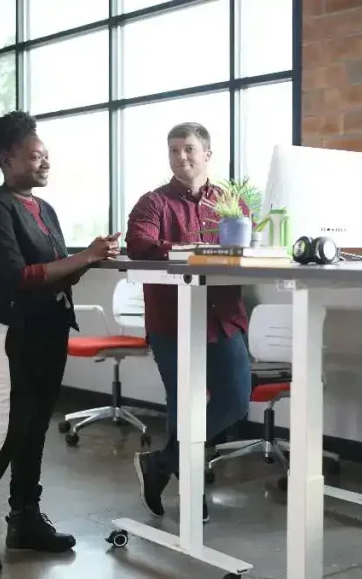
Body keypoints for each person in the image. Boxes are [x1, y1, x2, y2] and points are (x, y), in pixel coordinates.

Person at [0, 110, 120, 576]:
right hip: (9, 331)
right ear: (6, 158)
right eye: (34, 155)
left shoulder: (44, 209)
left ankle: (24, 518)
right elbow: (18, 277)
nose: (45, 162)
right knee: (7, 428)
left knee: (35, 425)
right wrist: (84, 256)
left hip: (48, 328)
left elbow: (57, 267)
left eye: (46, 155)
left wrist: (92, 257)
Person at [126, 122, 253, 522]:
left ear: (207, 155)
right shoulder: (153, 203)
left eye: (189, 149)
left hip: (224, 318)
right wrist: (193, 250)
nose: (181, 156)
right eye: (174, 150)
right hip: (173, 321)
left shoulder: (231, 203)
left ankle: (162, 463)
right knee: (184, 406)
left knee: (235, 401)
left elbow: (245, 247)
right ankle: (190, 487)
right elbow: (141, 244)